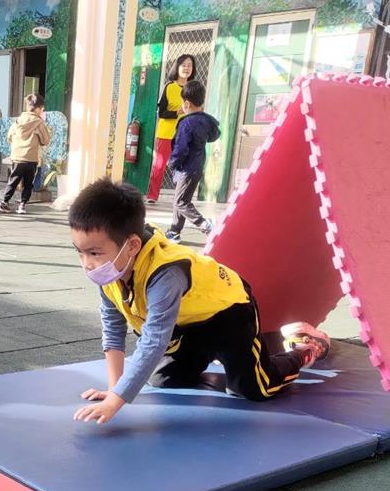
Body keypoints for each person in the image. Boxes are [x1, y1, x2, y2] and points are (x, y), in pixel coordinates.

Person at [69, 179, 330, 425]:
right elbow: (113, 330)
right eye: (79, 252)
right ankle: (212, 353)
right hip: (190, 324)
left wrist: (116, 401)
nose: (86, 263)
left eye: (94, 253)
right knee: (162, 380)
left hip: (229, 315)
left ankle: (303, 347)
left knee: (254, 388)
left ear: (132, 246)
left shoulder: (166, 274)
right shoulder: (111, 271)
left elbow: (154, 340)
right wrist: (114, 388)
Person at [165, 80, 219, 242]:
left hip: (186, 168)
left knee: (180, 202)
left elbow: (181, 148)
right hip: (198, 165)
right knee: (182, 199)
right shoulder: (207, 121)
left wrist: (172, 162)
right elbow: (214, 135)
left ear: (187, 104)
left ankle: (205, 225)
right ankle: (174, 231)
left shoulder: (186, 123)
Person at [146, 53, 196, 203]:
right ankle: (152, 196)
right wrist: (177, 112)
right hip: (167, 133)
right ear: (177, 67)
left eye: (190, 65)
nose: (187, 68)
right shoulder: (169, 87)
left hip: (185, 134)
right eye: (184, 65)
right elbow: (161, 112)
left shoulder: (193, 89)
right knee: (159, 166)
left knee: (186, 166)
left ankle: (181, 197)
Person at [0, 93, 51, 216]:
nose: (42, 111)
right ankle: (22, 205)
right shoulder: (39, 122)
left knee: (13, 180)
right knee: (28, 183)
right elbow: (45, 140)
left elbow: (9, 136)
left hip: (17, 157)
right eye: (42, 109)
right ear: (38, 108)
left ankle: (4, 202)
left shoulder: (18, 121)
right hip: (31, 158)